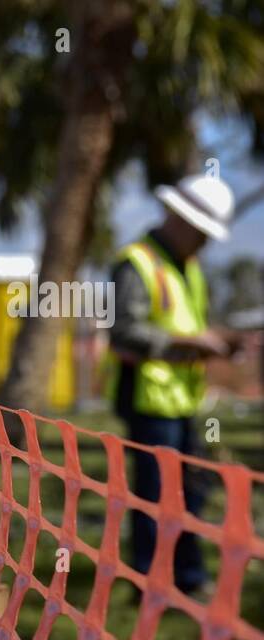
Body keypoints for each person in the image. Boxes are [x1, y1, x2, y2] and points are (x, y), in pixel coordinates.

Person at [105, 172, 238, 597]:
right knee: (155, 496)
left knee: (189, 492)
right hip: (146, 399)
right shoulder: (137, 262)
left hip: (181, 398)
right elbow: (122, 332)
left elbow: (187, 323)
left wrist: (212, 343)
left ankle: (188, 575)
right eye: (202, 234)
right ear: (180, 220)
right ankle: (150, 580)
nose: (206, 243)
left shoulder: (189, 267)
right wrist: (191, 343)